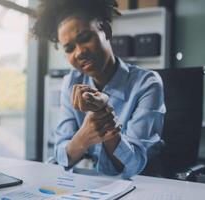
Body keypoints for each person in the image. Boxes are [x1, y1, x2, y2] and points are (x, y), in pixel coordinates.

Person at [33, 0, 166, 179]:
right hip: (91, 185)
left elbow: (133, 164)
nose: (79, 52)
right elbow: (62, 155)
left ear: (106, 30)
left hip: (141, 185)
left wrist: (104, 119)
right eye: (69, 48)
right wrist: (83, 137)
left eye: (85, 38)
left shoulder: (147, 84)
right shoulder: (71, 82)